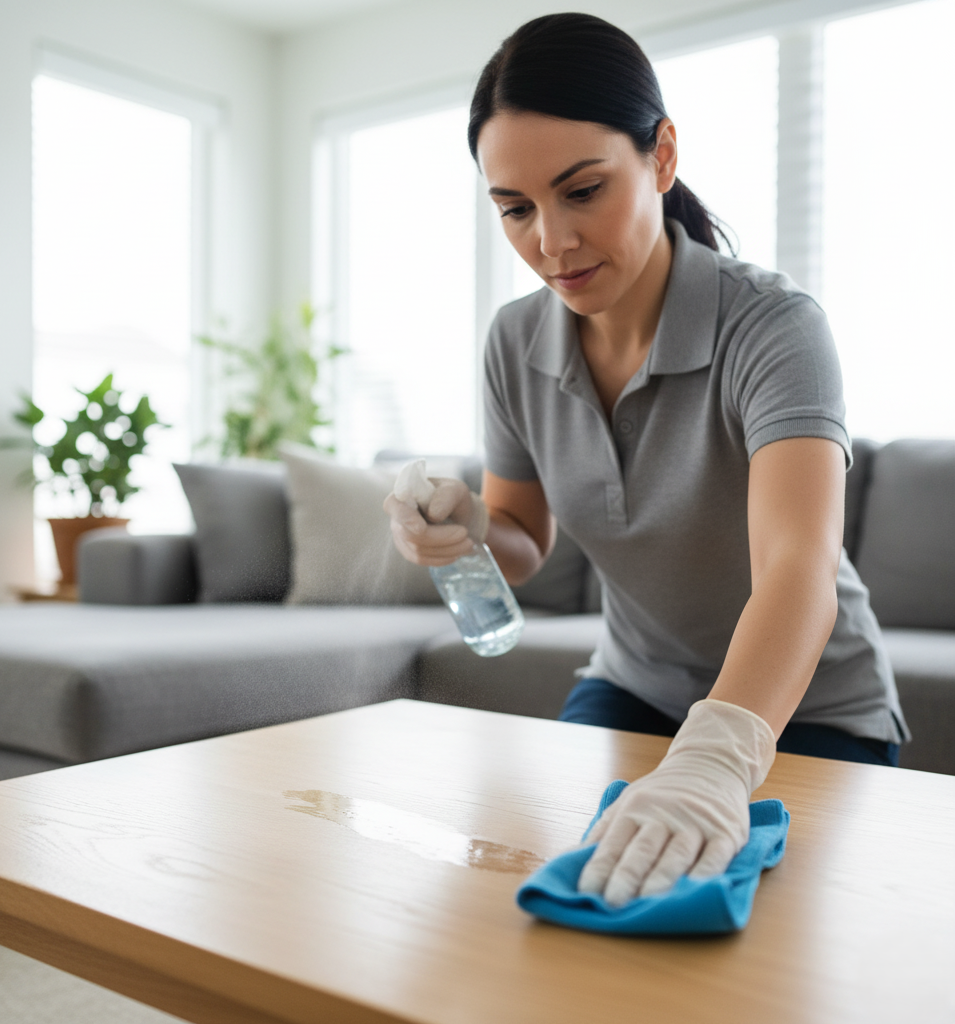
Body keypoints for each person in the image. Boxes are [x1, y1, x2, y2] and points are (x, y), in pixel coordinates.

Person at [383, 12, 908, 908]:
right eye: (516, 209)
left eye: (583, 190)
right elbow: (523, 542)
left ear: (661, 157)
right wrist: (470, 528)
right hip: (635, 684)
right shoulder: (514, 343)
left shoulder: (773, 328)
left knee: (750, 934)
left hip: (807, 703)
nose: (551, 243)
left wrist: (717, 757)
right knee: (569, 897)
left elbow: (799, 566)